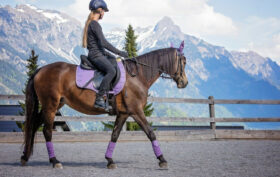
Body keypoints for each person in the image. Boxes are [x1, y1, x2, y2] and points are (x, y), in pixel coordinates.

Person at [82, 0, 128, 110]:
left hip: (97, 53)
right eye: (103, 11)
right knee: (111, 71)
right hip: (95, 56)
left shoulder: (91, 24)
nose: (104, 14)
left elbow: (100, 46)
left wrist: (112, 56)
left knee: (113, 62)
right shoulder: (95, 24)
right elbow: (103, 43)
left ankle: (110, 96)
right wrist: (120, 52)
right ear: (100, 10)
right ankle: (99, 98)